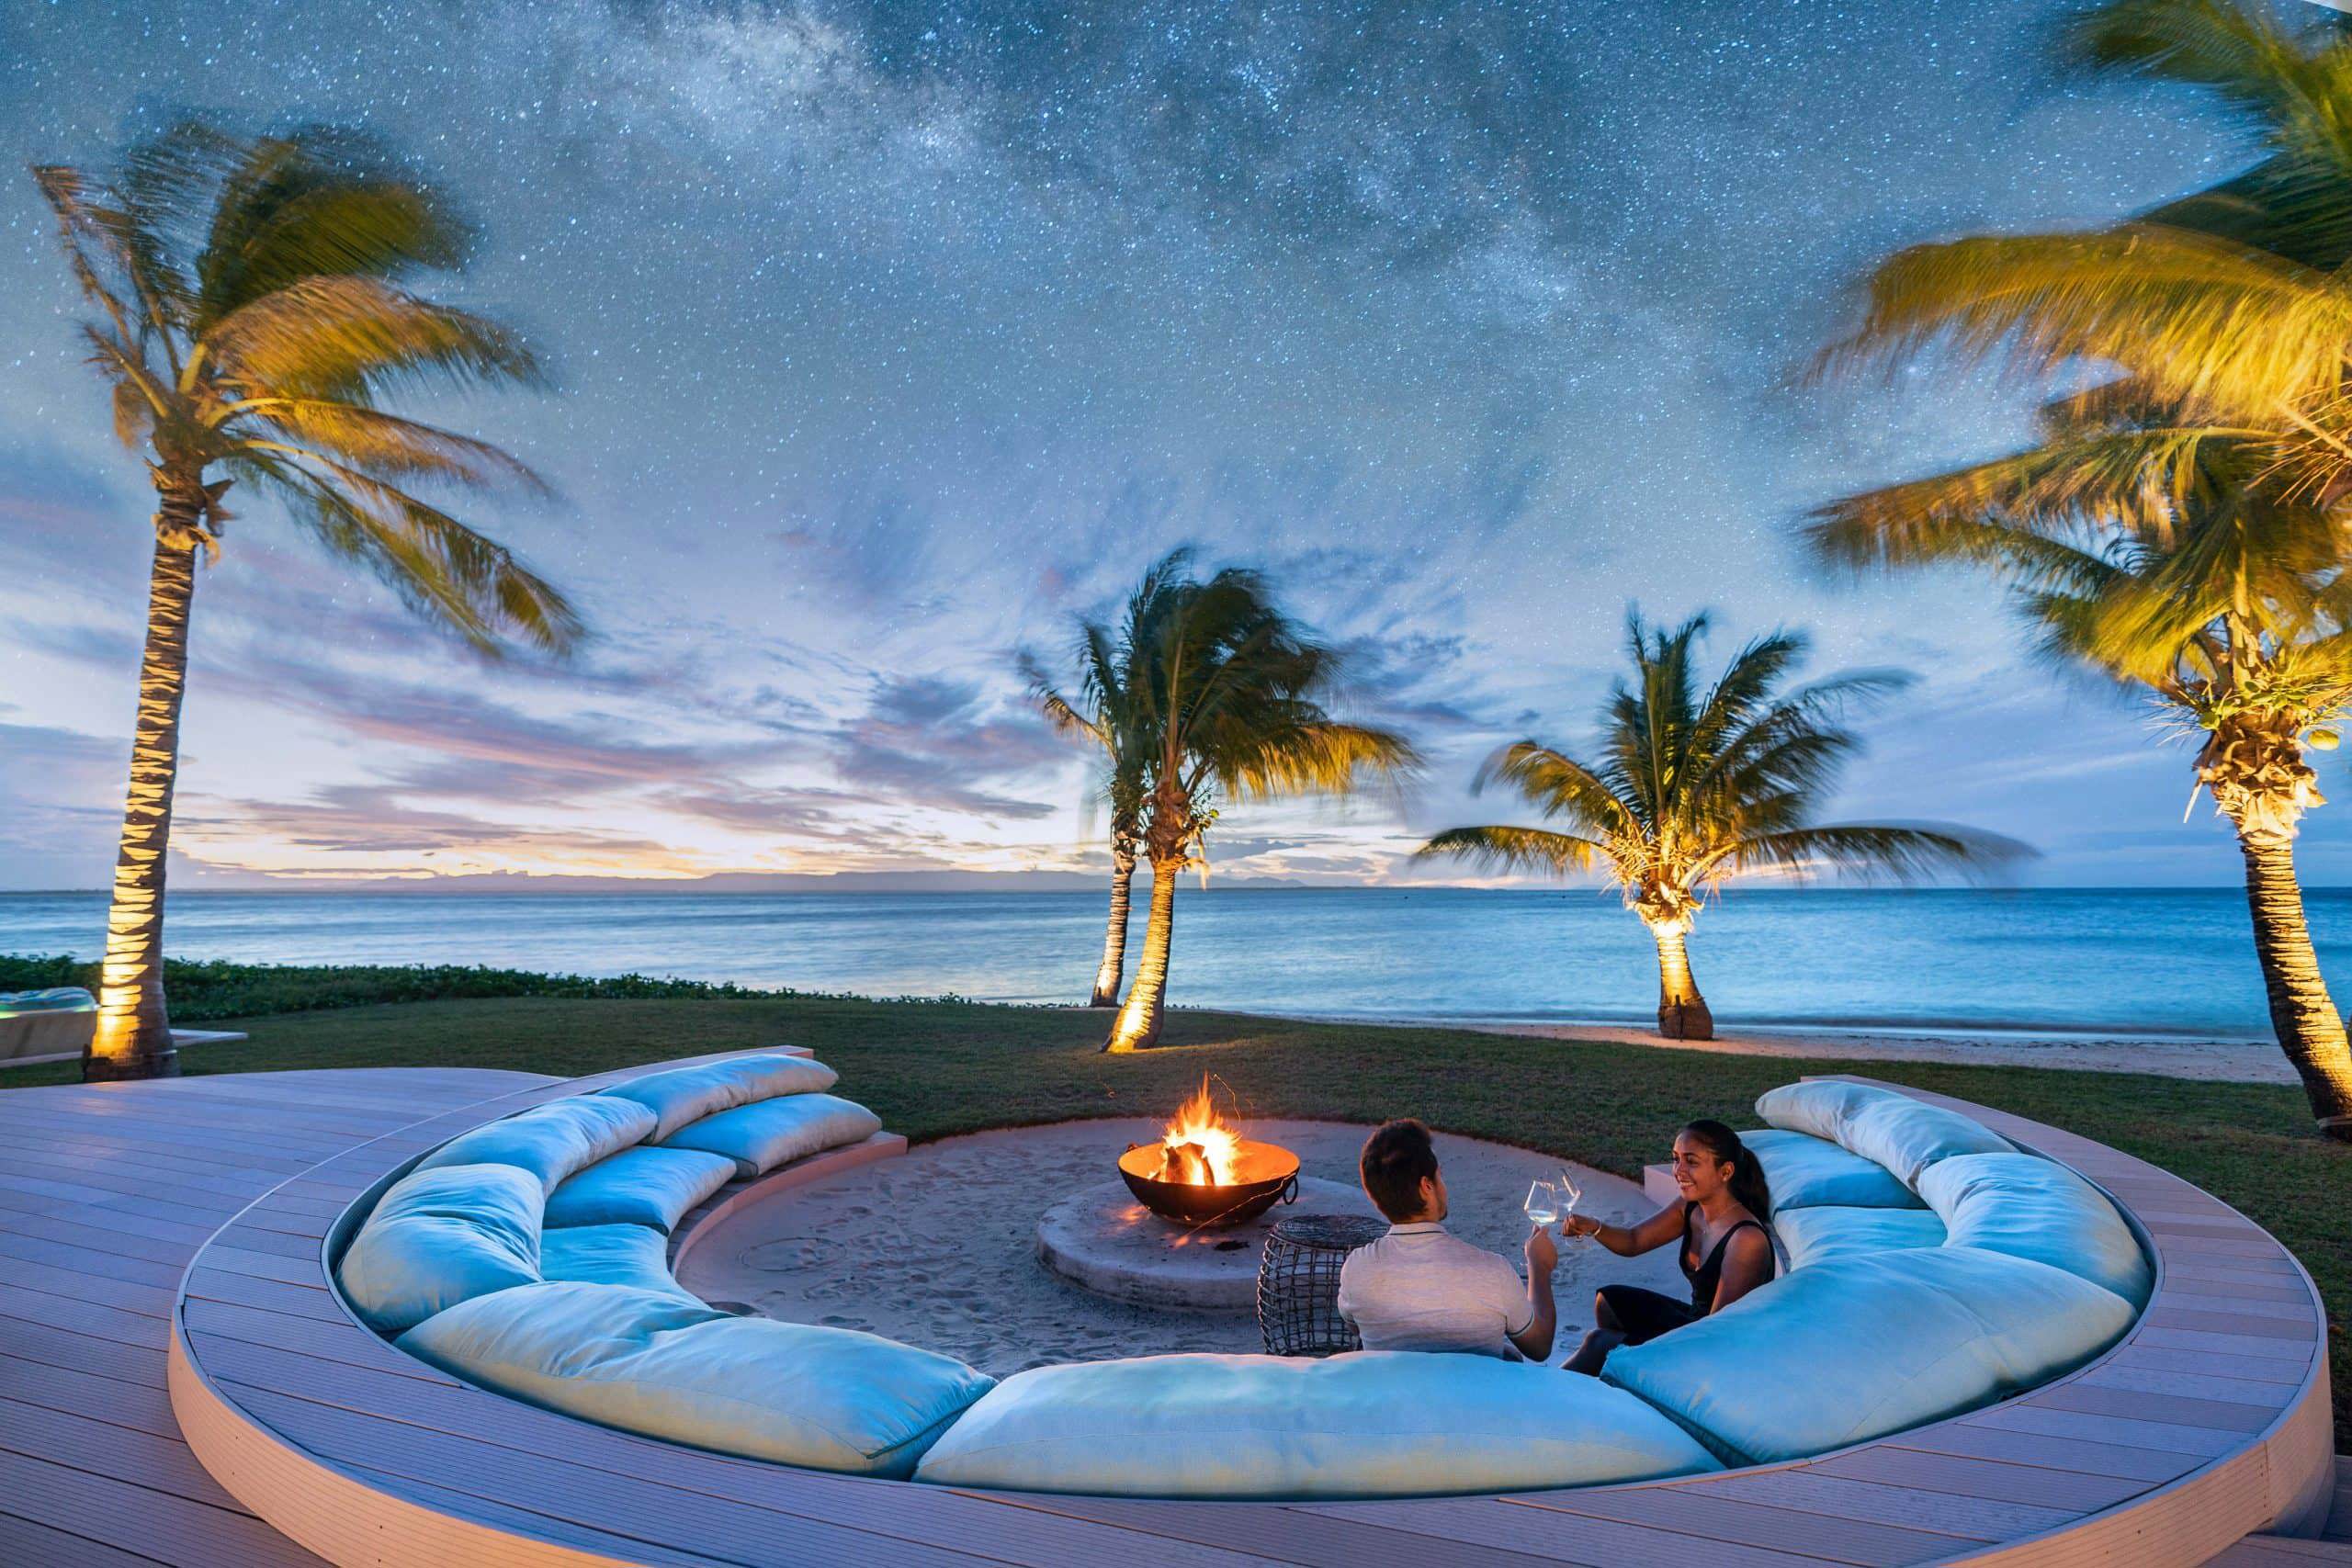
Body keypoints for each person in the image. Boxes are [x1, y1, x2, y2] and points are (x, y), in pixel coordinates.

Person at [1560, 1119, 1775, 1376]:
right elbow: (1634, 1240)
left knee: (1600, 1344)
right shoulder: (1691, 1208)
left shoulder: (1746, 1239)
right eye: (1676, 1159)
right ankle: (1621, 1379)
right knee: (1609, 1301)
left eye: (1692, 1162)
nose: (1678, 1171)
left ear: (1726, 1172)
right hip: (1695, 1323)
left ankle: (1554, 1391)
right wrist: (1594, 1227)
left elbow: (1717, 1334)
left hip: (1715, 1348)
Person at [1334, 1118, 1557, 1360]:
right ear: (1426, 1186)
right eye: (1439, 1176)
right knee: (1512, 1358)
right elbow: (1540, 1346)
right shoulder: (1492, 1271)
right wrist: (1539, 1267)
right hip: (1470, 1398)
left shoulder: (1357, 1269)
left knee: (1510, 1356)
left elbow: (1356, 1324)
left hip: (1396, 1397)